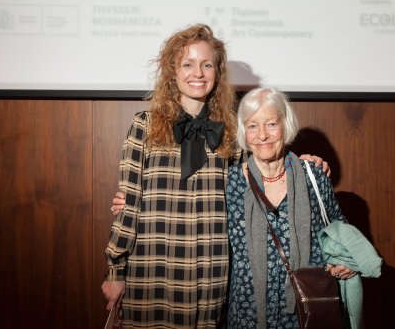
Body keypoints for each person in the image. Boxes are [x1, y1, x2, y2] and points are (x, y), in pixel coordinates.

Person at [102, 24, 329, 328]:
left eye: (206, 64)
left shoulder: (232, 134)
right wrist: (115, 271)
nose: (198, 72)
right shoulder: (143, 126)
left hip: (211, 276)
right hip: (153, 269)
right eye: (188, 64)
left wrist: (302, 165)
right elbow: (127, 206)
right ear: (172, 70)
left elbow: (266, 166)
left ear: (217, 72)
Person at [225, 87, 355, 329]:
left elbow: (338, 225)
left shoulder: (313, 175)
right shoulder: (229, 181)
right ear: (244, 131)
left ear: (286, 125)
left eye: (271, 124)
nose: (262, 135)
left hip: (305, 308)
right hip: (246, 310)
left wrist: (347, 259)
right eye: (253, 126)